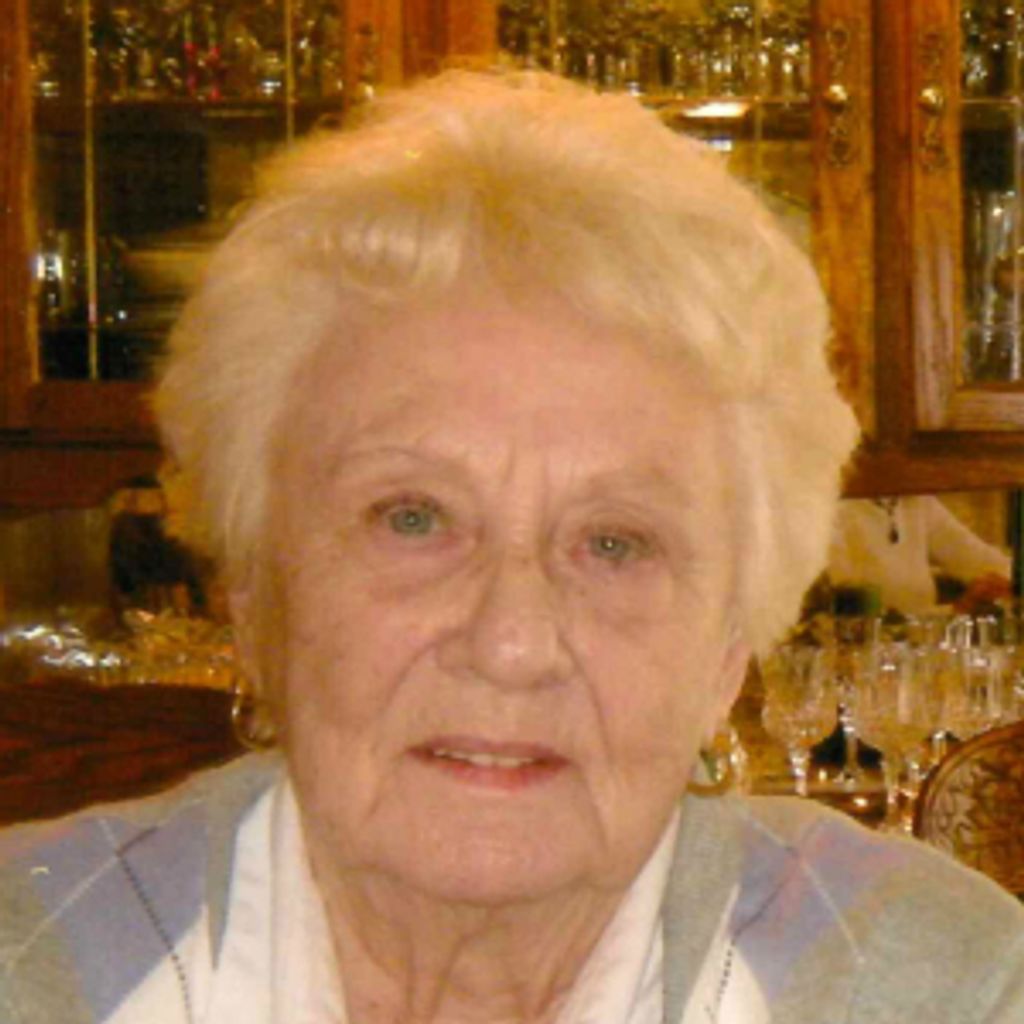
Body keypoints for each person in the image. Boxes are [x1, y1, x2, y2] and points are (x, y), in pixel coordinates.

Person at [0, 70, 1021, 1024]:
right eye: (413, 518)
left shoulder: (947, 989)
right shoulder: (32, 966)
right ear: (252, 593)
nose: (513, 643)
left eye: (613, 543)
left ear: (728, 651)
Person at [828, 494, 1012, 614]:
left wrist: (1000, 583)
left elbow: (983, 560)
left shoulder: (916, 499)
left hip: (921, 646)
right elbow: (852, 611)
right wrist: (955, 611)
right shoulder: (834, 508)